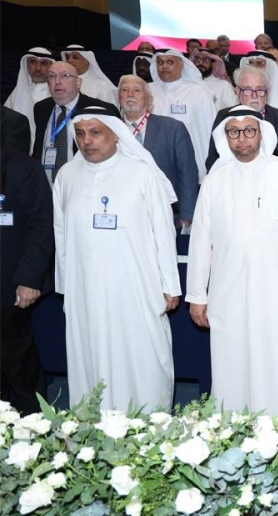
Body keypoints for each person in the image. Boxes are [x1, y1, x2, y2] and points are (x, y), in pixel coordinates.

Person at [186, 106, 278, 423]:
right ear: (225, 137)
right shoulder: (215, 180)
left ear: (261, 134)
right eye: (234, 131)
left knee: (277, 365)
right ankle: (233, 434)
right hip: (226, 294)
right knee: (231, 365)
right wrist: (197, 295)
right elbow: (200, 241)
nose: (241, 138)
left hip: (277, 296)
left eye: (248, 131)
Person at [53, 105, 180, 410]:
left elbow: (164, 233)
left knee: (143, 359)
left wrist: (170, 285)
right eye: (80, 134)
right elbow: (60, 234)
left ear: (116, 134)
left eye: (96, 132)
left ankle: (148, 425)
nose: (87, 141)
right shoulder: (67, 176)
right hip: (85, 291)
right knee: (90, 357)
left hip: (136, 288)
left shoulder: (142, 173)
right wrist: (66, 287)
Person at [1, 142, 53, 413]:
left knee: (16, 362)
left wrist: (30, 280)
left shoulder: (24, 167)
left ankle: (33, 425)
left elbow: (41, 227)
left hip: (10, 284)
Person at [118, 75, 199, 230]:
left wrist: (188, 213)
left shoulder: (173, 128)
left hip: (165, 212)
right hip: (124, 212)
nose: (130, 94)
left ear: (149, 99)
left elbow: (187, 172)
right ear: (119, 98)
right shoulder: (110, 130)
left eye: (137, 90)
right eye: (125, 90)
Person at [31, 61, 117, 184]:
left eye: (64, 76)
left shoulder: (101, 109)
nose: (57, 81)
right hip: (45, 186)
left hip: (87, 184)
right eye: (52, 76)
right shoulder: (41, 108)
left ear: (78, 83)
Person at [206, 65, 278, 169]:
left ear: (268, 93)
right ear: (237, 92)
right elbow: (213, 161)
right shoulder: (224, 117)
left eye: (260, 90)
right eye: (248, 90)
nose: (254, 96)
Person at [148, 49, 217, 181]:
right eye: (160, 62)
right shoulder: (147, 90)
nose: (164, 66)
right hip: (154, 162)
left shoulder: (198, 92)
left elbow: (210, 129)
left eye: (170, 62)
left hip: (190, 161)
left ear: (182, 64)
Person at [4, 47, 54, 142]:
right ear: (26, 64)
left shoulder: (58, 95)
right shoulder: (16, 95)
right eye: (33, 62)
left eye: (43, 63)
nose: (38, 68)